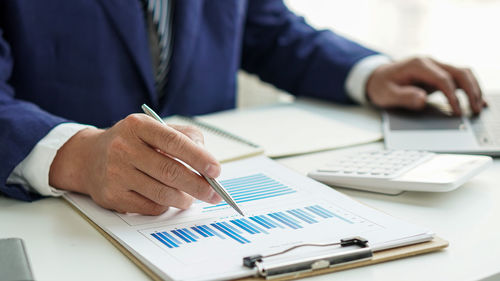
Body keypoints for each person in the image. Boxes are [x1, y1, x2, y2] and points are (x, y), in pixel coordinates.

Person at [0, 0, 485, 215]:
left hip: (208, 216)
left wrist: (372, 72)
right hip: (56, 224)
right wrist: (79, 156)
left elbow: (271, 31)